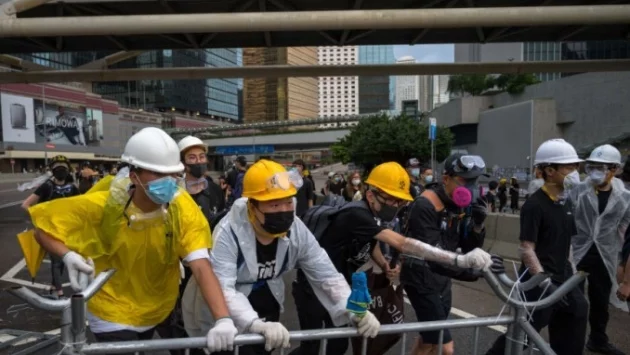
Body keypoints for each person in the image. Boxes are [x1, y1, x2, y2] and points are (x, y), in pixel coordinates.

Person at [28, 127, 238, 354]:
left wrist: (223, 319)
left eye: (173, 174)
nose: (168, 182)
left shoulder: (181, 206)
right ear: (133, 175)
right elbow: (43, 228)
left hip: (157, 306)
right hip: (111, 309)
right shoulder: (105, 206)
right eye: (157, 174)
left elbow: (201, 265)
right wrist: (67, 255)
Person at [291, 161, 493, 355]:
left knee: (338, 345)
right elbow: (404, 244)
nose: (396, 205)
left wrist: (383, 264)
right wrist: (459, 260)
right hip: (312, 287)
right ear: (371, 195)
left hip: (338, 288)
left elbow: (371, 242)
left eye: (400, 201)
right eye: (391, 200)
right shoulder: (356, 214)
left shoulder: (371, 217)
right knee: (312, 347)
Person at [182, 159, 381, 355]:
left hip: (265, 303)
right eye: (274, 205)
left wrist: (354, 310)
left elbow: (324, 273)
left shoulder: (295, 228)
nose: (284, 211)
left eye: (287, 202)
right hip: (224, 313)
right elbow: (223, 287)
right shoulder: (229, 231)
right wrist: (254, 323)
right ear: (252, 206)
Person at [485, 138, 588, 355]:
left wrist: (572, 276)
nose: (575, 171)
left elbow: (567, 243)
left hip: (565, 278)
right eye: (569, 167)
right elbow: (526, 248)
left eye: (576, 166)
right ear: (550, 170)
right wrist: (544, 282)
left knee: (576, 316)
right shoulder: (534, 205)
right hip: (539, 282)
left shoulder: (566, 202)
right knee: (522, 333)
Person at [401, 154, 489, 355]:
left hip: (442, 280)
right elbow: (434, 256)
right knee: (445, 346)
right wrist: (472, 273)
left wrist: (477, 225)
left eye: (476, 181)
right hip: (420, 278)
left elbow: (468, 249)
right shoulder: (425, 205)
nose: (471, 186)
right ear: (446, 179)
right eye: (466, 180)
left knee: (428, 339)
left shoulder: (459, 206)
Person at [569, 144, 630, 355]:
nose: (596, 172)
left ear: (615, 169)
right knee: (574, 303)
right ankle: (569, 342)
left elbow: (625, 231)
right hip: (577, 254)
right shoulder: (578, 191)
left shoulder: (624, 197)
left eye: (601, 167)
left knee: (600, 303)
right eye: (592, 166)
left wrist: (624, 264)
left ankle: (598, 340)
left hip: (605, 256)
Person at [21, 155, 80, 299]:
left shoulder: (72, 187)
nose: (61, 170)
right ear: (52, 170)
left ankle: (54, 287)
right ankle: (59, 293)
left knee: (63, 260)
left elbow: (79, 205)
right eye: (57, 168)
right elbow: (25, 205)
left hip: (66, 230)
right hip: (51, 231)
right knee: (56, 261)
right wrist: (40, 218)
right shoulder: (47, 186)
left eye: (64, 168)